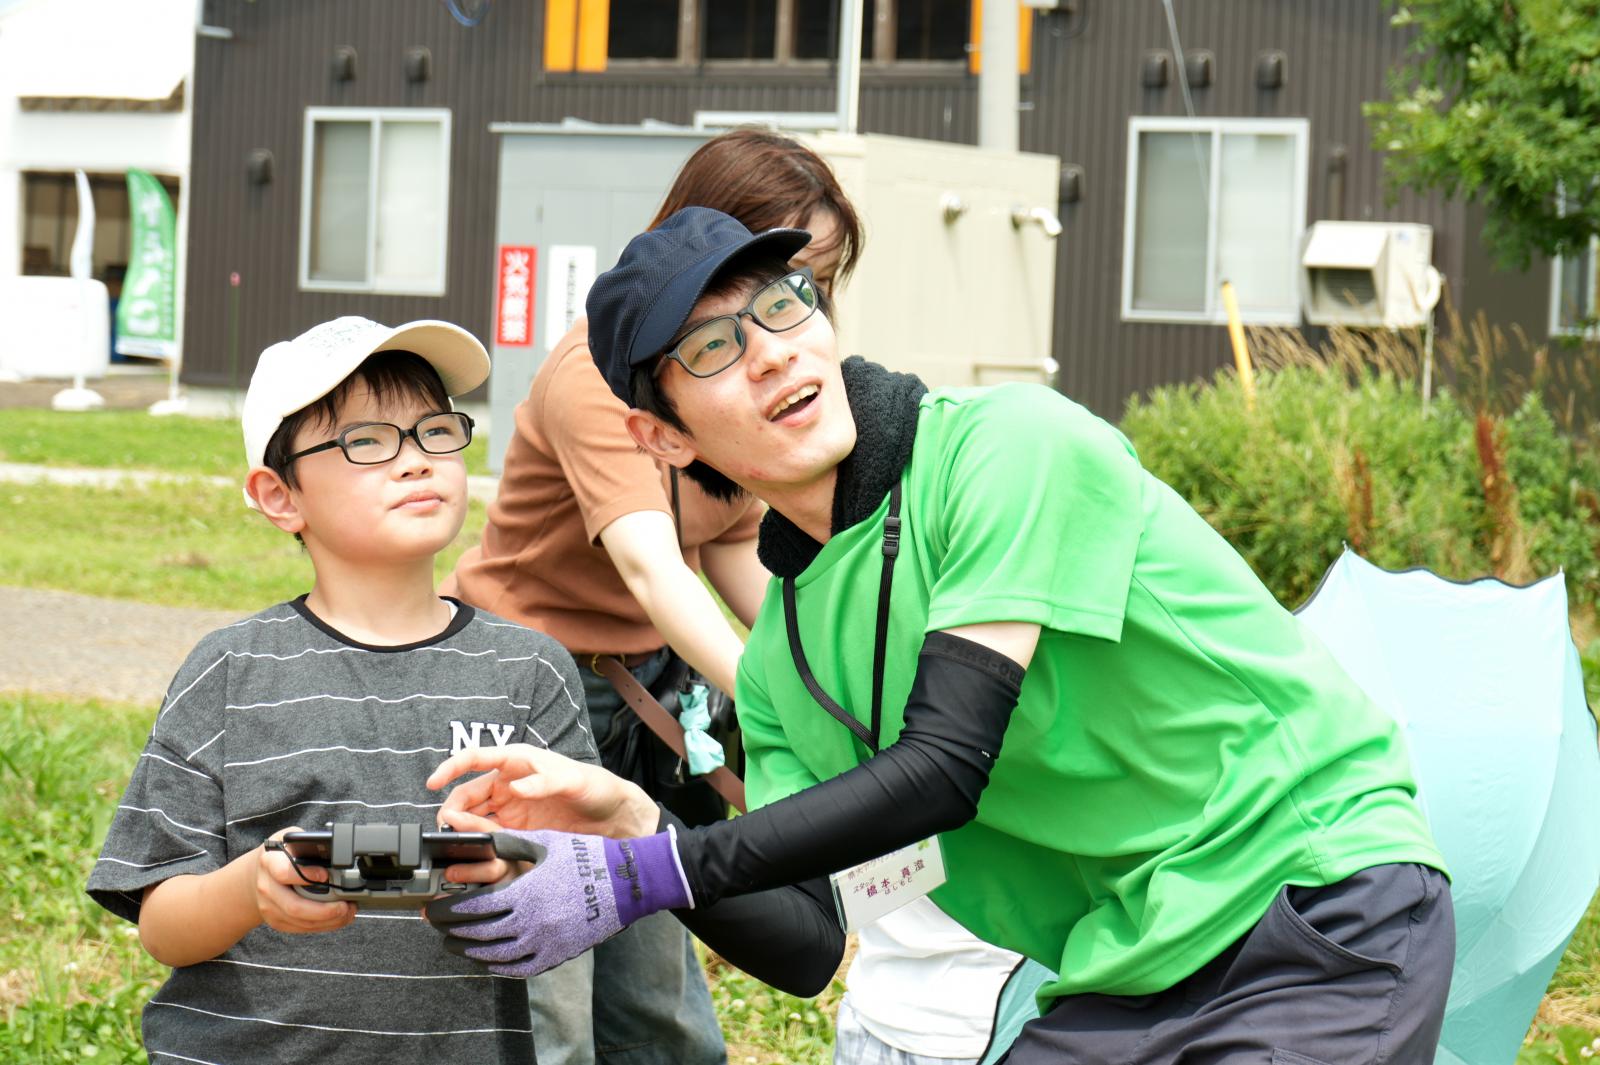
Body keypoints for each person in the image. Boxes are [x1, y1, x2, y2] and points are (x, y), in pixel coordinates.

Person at [424, 208, 1458, 1065]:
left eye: (783, 303)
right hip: (1126, 964)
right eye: (712, 347)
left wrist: (650, 877)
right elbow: (808, 940)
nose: (773, 350)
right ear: (662, 434)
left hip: (1305, 899)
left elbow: (945, 764)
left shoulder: (1009, 446)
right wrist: (635, 824)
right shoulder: (784, 658)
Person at [445, 128, 864, 1065]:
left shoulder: (739, 381)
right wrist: (780, 697)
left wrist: (835, 676)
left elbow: (732, 550)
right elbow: (653, 567)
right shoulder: (601, 374)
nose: (789, 309)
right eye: (781, 266)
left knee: (660, 1008)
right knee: (547, 995)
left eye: (811, 281)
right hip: (521, 687)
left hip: (643, 693)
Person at [86, 317, 596, 1063]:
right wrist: (252, 888)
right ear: (279, 495)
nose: (415, 461)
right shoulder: (230, 670)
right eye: (366, 441)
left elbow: (586, 891)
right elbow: (163, 925)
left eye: (435, 432)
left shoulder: (528, 670)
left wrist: (516, 868)